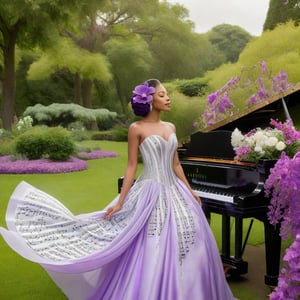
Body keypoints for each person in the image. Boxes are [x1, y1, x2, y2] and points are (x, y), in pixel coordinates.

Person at [0, 79, 235, 300]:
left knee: (191, 236)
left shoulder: (171, 127)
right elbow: (132, 165)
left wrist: (190, 190)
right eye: (163, 95)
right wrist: (121, 201)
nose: (168, 99)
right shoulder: (136, 128)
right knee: (151, 241)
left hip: (175, 191)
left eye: (167, 95)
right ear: (150, 100)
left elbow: (175, 164)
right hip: (150, 191)